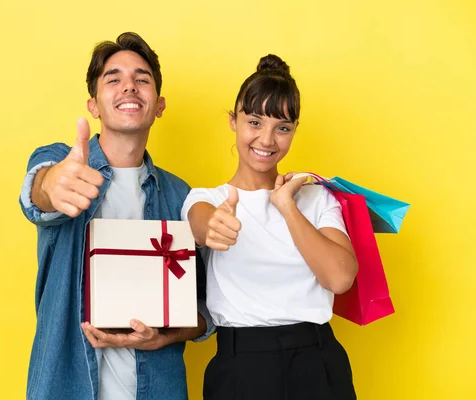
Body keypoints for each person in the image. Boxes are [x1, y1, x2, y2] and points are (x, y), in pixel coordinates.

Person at [19, 32, 212, 400]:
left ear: (159, 105)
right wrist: (50, 186)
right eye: (114, 79)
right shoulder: (65, 164)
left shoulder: (181, 196)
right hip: (66, 387)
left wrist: (165, 336)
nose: (129, 87)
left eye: (142, 79)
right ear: (93, 105)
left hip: (158, 388)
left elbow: (206, 309)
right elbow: (37, 194)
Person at [182, 54, 358, 399]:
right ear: (234, 121)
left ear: (293, 132)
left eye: (282, 128)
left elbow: (339, 278)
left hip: (317, 361)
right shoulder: (208, 197)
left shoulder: (317, 198)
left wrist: (287, 206)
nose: (266, 139)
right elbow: (201, 223)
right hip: (241, 366)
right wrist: (214, 226)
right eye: (255, 122)